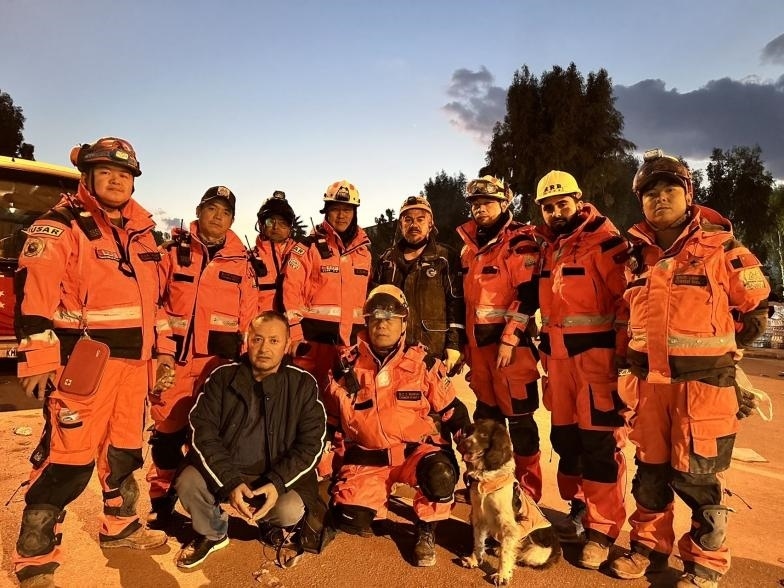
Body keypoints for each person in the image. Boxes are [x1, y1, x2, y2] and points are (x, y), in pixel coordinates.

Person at [12, 137, 171, 587]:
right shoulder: (60, 225)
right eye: (106, 172)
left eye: (124, 174)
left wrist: (163, 353)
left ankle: (120, 527)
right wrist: (37, 359)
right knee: (68, 458)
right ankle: (35, 556)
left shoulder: (142, 233)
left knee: (123, 452)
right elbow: (34, 295)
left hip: (134, 368)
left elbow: (156, 304)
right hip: (84, 367)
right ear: (87, 176)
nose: (116, 180)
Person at [608, 149, 770, 588]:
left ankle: (706, 562)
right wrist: (623, 368)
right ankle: (648, 549)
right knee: (650, 474)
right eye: (650, 193)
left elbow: (755, 309)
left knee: (698, 477)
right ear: (641, 202)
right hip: (648, 386)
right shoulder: (635, 256)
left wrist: (727, 352)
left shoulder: (722, 248)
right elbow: (626, 320)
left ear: (688, 195)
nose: (660, 198)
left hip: (704, 387)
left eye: (669, 190)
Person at [325, 285, 470, 567]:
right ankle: (375, 502)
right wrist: (326, 469)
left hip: (416, 455)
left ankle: (426, 528)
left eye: (390, 317)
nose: (382, 324)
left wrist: (471, 448)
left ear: (404, 323)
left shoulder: (424, 363)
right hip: (369, 459)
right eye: (376, 318)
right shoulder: (345, 366)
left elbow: (454, 411)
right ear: (367, 322)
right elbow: (331, 421)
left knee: (440, 475)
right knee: (352, 520)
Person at [174, 311, 328, 568]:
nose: (264, 348)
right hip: (226, 471)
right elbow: (202, 431)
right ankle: (213, 533)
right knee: (188, 481)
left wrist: (277, 482)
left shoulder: (302, 384)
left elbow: (312, 444)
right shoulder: (222, 377)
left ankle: (269, 523)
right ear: (247, 342)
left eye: (274, 341)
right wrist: (230, 481)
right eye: (257, 339)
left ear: (287, 344)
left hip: (274, 475)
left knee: (289, 510)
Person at [534, 170, 630, 570]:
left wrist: (624, 358)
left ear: (579, 200)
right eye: (548, 207)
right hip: (558, 365)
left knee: (600, 447)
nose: (557, 212)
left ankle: (602, 531)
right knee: (565, 442)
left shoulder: (606, 242)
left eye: (563, 204)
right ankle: (577, 508)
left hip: (596, 365)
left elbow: (628, 301)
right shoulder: (548, 248)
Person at [146, 185, 257, 525]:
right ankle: (161, 500)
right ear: (198, 211)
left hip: (217, 367)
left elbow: (249, 318)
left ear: (232, 220)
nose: (218, 217)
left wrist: (246, 366)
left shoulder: (243, 263)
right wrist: (163, 349)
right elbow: (153, 303)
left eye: (225, 212)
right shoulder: (172, 253)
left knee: (212, 437)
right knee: (167, 435)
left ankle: (206, 503)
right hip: (175, 362)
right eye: (212, 209)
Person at [457, 175, 543, 502]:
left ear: (504, 204)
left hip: (511, 352)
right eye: (475, 204)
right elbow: (466, 304)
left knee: (521, 427)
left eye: (487, 203)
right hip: (480, 353)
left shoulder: (520, 243)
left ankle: (527, 494)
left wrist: (510, 338)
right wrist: (463, 346)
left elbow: (528, 294)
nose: (480, 209)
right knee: (486, 424)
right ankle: (488, 487)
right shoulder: (469, 250)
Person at [282, 179, 372, 393]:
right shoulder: (307, 247)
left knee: (344, 402)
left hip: (352, 346)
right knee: (305, 398)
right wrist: (295, 335)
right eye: (335, 209)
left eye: (347, 210)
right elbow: (290, 291)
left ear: (355, 212)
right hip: (312, 344)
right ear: (326, 211)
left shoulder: (365, 253)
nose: (342, 215)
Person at [372, 195, 465, 375]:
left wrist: (454, 345)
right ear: (401, 225)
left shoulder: (445, 258)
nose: (414, 224)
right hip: (393, 352)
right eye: (408, 220)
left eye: (420, 219)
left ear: (430, 224)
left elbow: (456, 302)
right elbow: (375, 305)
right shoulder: (386, 261)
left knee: (434, 393)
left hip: (433, 351)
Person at [251, 190, 300, 312]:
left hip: (296, 322)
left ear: (290, 227)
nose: (276, 227)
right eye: (270, 221)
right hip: (262, 322)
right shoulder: (248, 258)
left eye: (283, 223)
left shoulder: (305, 256)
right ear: (261, 224)